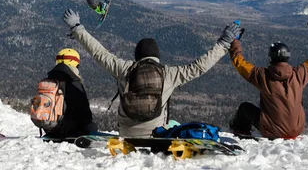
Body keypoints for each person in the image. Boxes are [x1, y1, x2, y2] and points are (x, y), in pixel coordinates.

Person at [62, 9, 241, 137]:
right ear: (157, 56)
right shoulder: (169, 74)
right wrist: (224, 43)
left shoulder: (124, 68)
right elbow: (199, 66)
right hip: (155, 134)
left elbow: (99, 52)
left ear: (137, 56)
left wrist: (77, 28)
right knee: (174, 125)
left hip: (126, 133)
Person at [228, 15, 308, 139]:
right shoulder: (300, 74)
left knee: (244, 108)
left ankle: (241, 131)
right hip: (296, 130)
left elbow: (239, 63)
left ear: (270, 57)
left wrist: (235, 41)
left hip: (270, 131)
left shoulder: (262, 75)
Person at [41, 48, 98, 139]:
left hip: (51, 128)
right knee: (91, 126)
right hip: (71, 131)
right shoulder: (73, 83)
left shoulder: (49, 81)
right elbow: (84, 111)